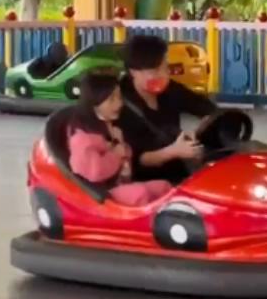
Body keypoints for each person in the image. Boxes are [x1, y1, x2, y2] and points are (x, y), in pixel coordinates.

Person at [116, 34, 216, 184]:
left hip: (179, 173)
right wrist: (173, 152)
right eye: (155, 70)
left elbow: (206, 108)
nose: (163, 75)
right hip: (145, 183)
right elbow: (137, 159)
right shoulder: (119, 103)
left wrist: (200, 132)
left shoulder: (170, 89)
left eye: (165, 67)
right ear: (133, 72)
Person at [67, 71, 173, 206]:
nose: (119, 104)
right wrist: (116, 154)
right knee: (140, 193)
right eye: (112, 99)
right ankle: (150, 218)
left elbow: (124, 156)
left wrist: (124, 154)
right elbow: (94, 172)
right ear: (94, 103)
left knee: (164, 186)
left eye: (119, 98)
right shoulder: (82, 139)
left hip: (119, 184)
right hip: (101, 195)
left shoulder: (112, 129)